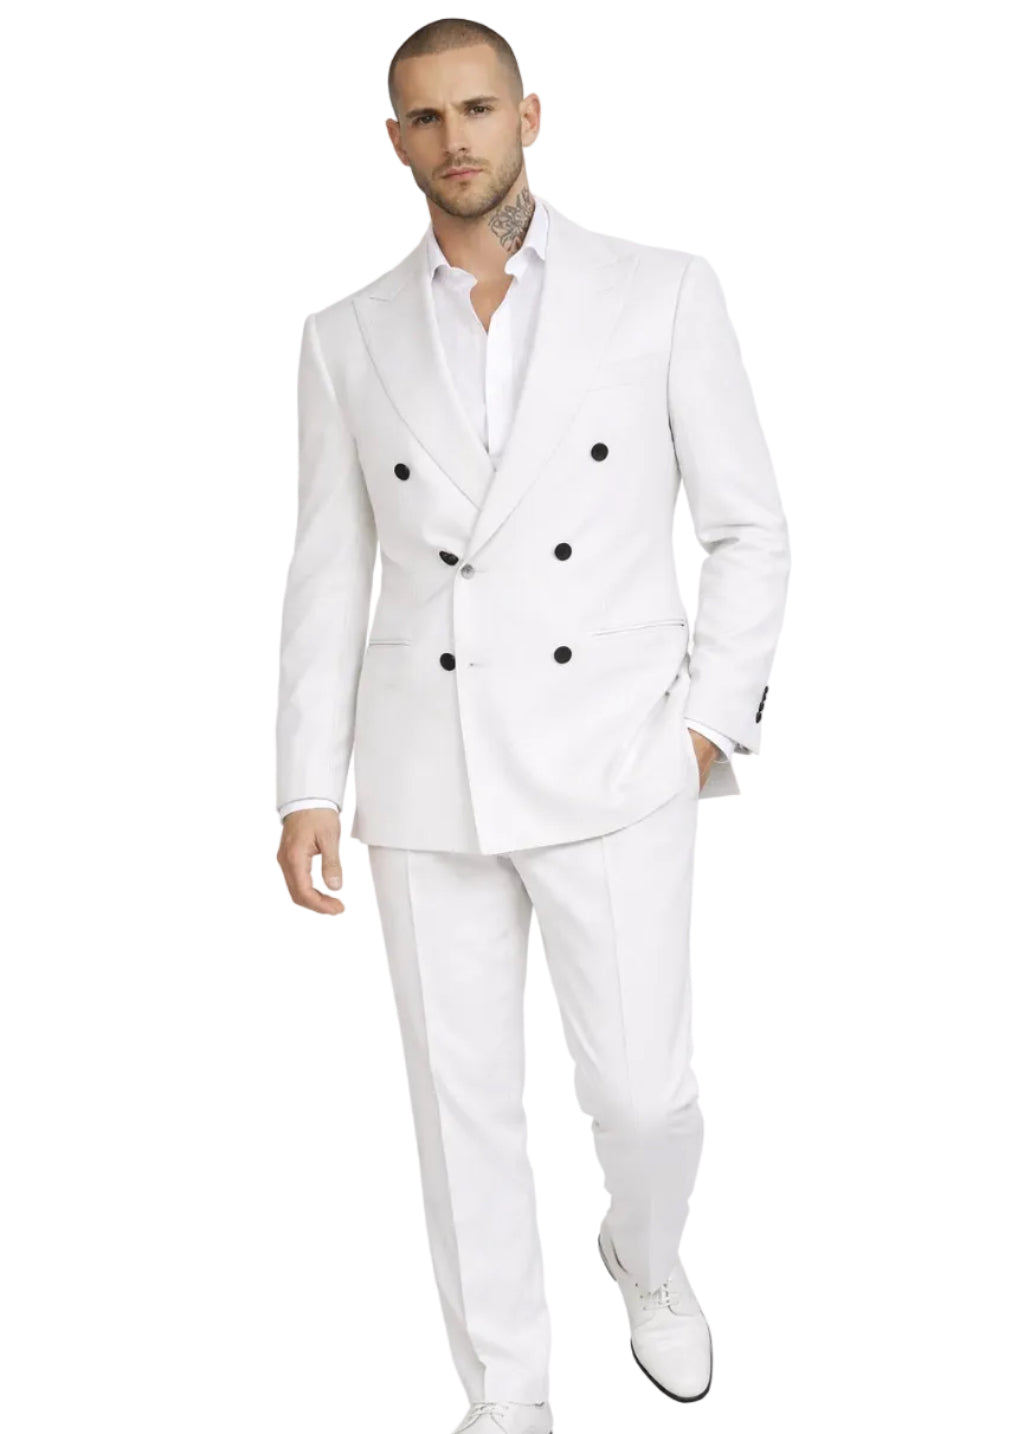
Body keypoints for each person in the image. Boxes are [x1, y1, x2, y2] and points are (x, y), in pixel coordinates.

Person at [275, 17, 790, 1434]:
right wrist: (305, 781)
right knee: (462, 1112)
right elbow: (327, 568)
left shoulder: (661, 291)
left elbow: (749, 527)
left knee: (642, 1095)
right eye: (426, 117)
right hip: (425, 766)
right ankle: (508, 1394)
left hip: (621, 754)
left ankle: (647, 1252)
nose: (456, 139)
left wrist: (702, 729)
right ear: (395, 140)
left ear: (530, 116)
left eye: (479, 108)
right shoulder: (344, 336)